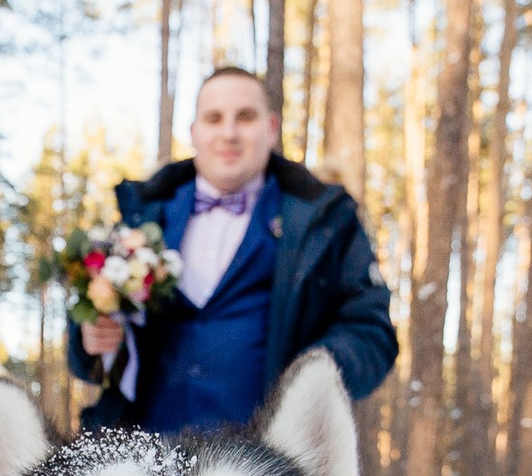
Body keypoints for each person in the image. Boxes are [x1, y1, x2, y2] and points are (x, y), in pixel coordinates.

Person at [69, 66, 397, 435]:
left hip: (266, 467)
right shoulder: (142, 215)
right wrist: (91, 340)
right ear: (194, 133)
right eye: (213, 119)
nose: (229, 133)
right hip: (143, 456)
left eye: (245, 117)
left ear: (271, 128)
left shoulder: (327, 220)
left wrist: (317, 376)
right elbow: (89, 355)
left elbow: (371, 332)